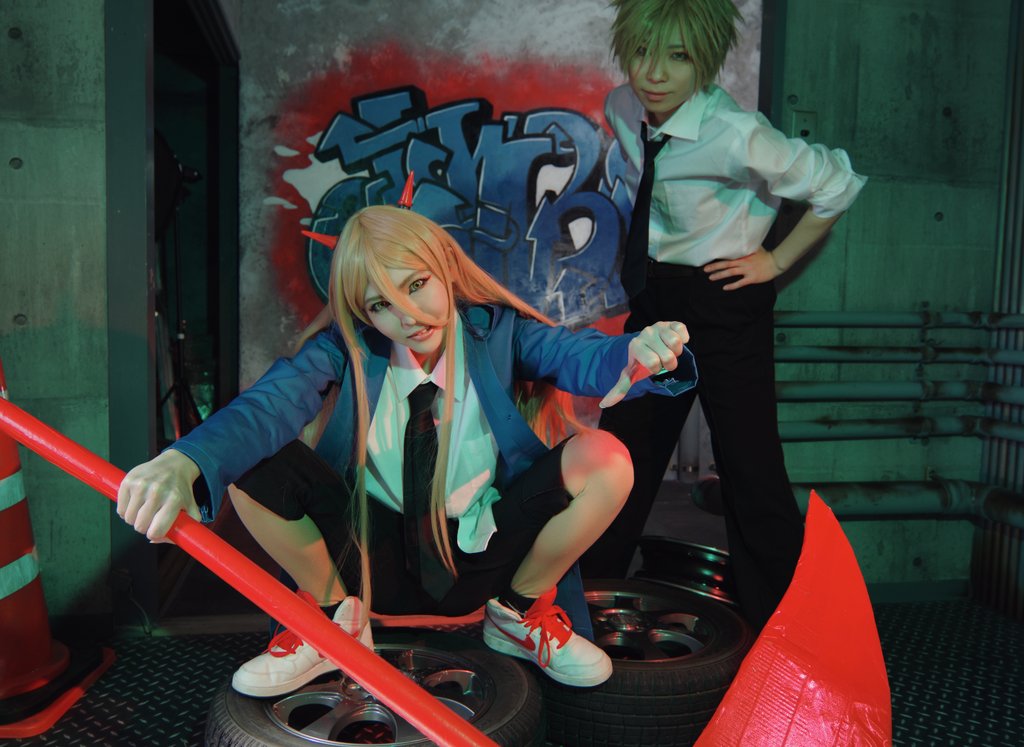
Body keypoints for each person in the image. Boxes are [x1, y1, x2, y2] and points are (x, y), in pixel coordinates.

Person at [117, 203, 696, 696]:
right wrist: (185, 459)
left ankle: (518, 615)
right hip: (367, 562)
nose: (409, 316)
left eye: (417, 285)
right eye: (381, 305)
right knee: (250, 462)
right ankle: (331, 624)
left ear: (444, 268)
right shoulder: (344, 350)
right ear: (362, 312)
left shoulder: (498, 333)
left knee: (606, 458)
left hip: (484, 552)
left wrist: (636, 354)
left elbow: (581, 358)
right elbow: (268, 406)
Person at [580, 0, 867, 631]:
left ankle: (785, 630)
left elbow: (837, 183)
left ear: (706, 62)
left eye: (679, 56)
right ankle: (585, 607)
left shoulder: (737, 132)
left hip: (722, 299)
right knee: (619, 457)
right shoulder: (622, 107)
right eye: (642, 52)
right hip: (655, 300)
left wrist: (775, 260)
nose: (655, 72)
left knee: (750, 468)